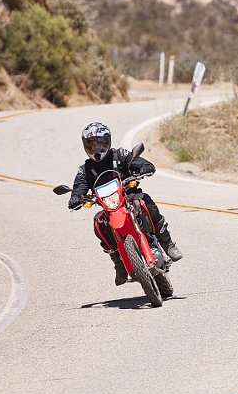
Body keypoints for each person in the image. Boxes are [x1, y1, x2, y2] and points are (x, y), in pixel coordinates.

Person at [69, 121, 183, 286]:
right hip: (109, 208)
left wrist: (144, 167)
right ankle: (119, 263)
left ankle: (167, 243)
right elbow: (79, 188)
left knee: (145, 202)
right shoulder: (86, 169)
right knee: (98, 223)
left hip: (129, 197)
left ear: (107, 142)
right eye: (91, 145)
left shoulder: (119, 155)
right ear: (85, 146)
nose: (96, 149)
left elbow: (136, 161)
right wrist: (76, 198)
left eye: (99, 144)